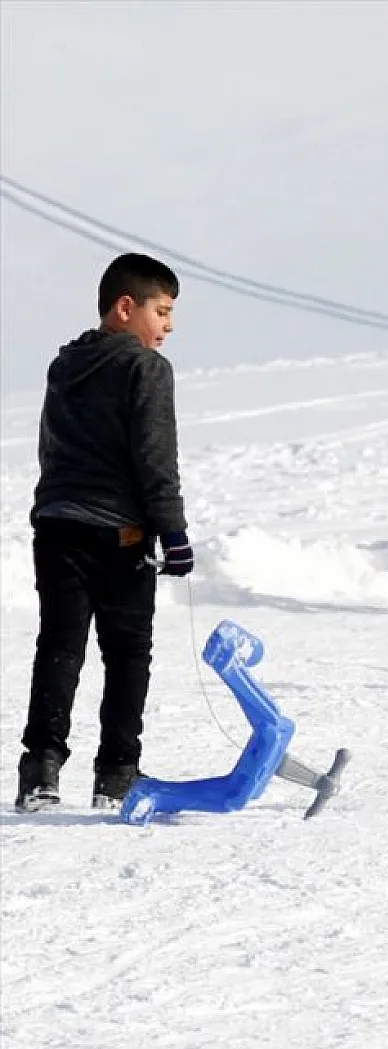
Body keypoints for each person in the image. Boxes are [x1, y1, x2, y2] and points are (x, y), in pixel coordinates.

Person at [17, 253, 194, 812]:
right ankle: (116, 776)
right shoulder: (146, 368)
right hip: (119, 533)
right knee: (126, 654)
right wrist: (173, 531)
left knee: (60, 646)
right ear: (125, 308)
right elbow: (154, 457)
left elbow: (55, 445)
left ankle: (39, 770)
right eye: (162, 312)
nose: (168, 326)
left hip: (56, 523)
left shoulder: (64, 365)